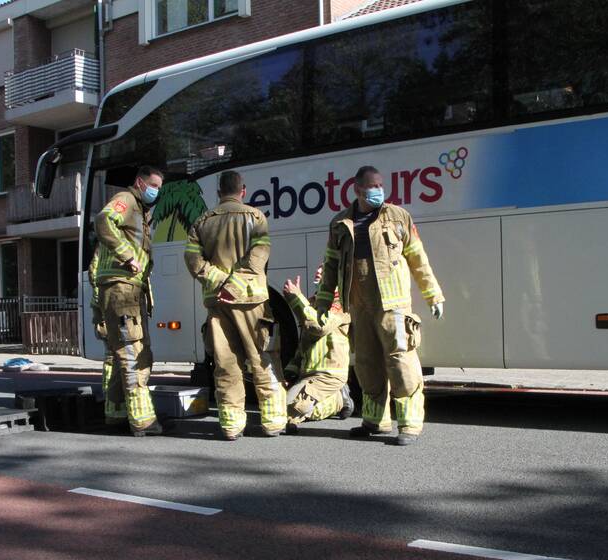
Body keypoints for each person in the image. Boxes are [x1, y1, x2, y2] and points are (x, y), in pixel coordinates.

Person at [316, 166, 445, 446]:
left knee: (401, 361)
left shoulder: (398, 217)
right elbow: (330, 265)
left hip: (392, 304)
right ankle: (375, 421)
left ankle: (410, 424)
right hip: (358, 304)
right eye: (372, 187)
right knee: (366, 363)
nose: (378, 191)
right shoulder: (340, 223)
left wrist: (433, 294)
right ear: (357, 190)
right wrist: (324, 299)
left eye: (380, 186)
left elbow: (417, 258)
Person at [184, 170, 286, 440]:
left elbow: (193, 261)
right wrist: (236, 284)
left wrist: (219, 281)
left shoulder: (202, 222)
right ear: (243, 191)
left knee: (226, 363)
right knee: (263, 358)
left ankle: (230, 425)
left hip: (218, 303)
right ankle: (273, 422)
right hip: (251, 301)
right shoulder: (255, 217)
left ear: (219, 192)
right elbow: (259, 255)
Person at [88, 166, 163, 437]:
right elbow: (104, 220)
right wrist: (126, 256)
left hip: (128, 289)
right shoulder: (127, 200)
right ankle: (142, 420)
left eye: (159, 187)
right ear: (140, 183)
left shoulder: (141, 210)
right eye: (153, 185)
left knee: (125, 351)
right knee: (134, 352)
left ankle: (116, 413)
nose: (156, 191)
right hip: (122, 290)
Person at [281, 266, 353, 434]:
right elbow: (303, 345)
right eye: (318, 274)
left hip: (329, 374)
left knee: (291, 411)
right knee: (276, 407)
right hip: (308, 374)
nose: (318, 276)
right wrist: (289, 373)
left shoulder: (342, 305)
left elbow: (319, 327)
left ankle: (338, 399)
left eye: (323, 275)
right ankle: (326, 399)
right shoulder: (311, 303)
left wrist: (296, 299)